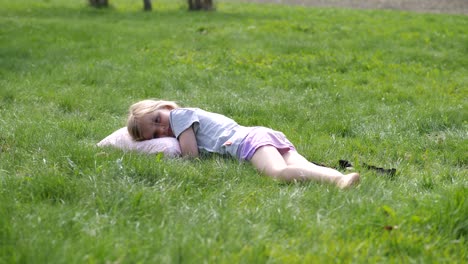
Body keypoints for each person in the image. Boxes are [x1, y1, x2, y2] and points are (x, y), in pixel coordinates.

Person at [127, 99, 360, 189]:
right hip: (262, 134)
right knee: (305, 166)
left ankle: (338, 180)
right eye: (156, 136)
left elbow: (190, 156)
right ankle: (342, 179)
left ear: (165, 107)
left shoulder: (179, 117)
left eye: (157, 120)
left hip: (247, 142)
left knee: (276, 173)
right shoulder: (180, 119)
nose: (162, 130)